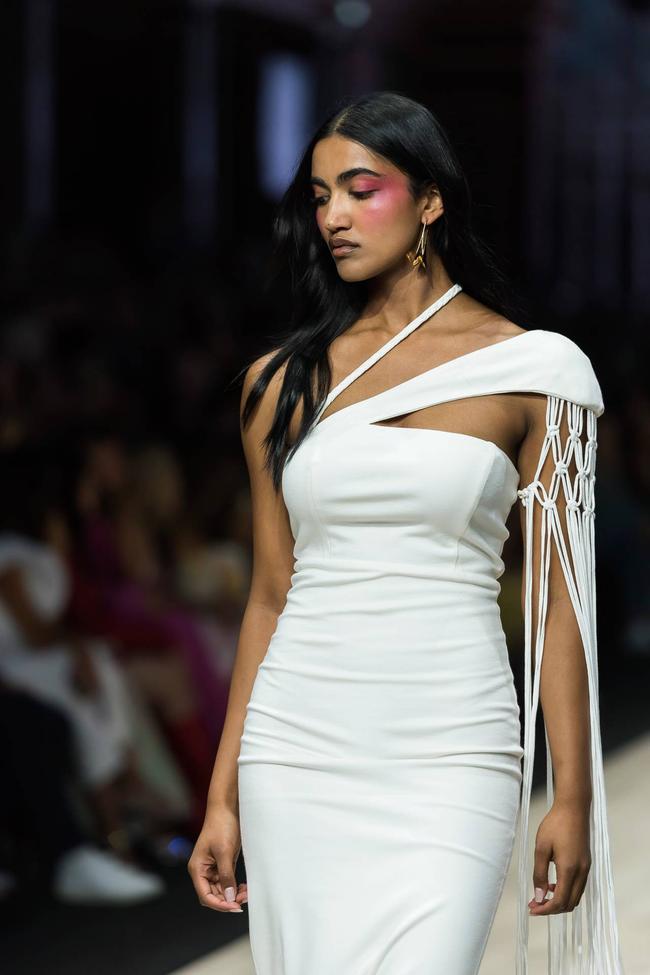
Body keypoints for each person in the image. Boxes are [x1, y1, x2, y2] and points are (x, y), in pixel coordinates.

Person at [188, 91, 624, 973]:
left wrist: (572, 790)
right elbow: (270, 593)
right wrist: (222, 792)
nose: (334, 217)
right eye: (319, 197)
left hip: (451, 742)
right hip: (298, 742)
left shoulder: (536, 370)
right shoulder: (278, 383)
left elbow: (559, 603)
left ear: (430, 200)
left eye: (360, 189)